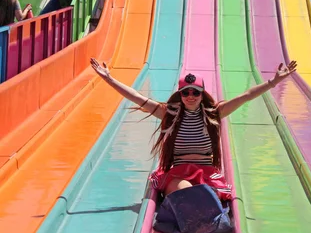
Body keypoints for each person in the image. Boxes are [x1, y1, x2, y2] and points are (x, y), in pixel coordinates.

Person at [90, 60, 297, 199]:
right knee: (185, 191)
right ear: (180, 94)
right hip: (178, 173)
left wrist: (273, 82)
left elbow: (246, 96)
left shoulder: (213, 113)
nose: (191, 96)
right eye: (186, 92)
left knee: (204, 192)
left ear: (202, 94)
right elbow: (136, 97)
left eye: (195, 92)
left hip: (206, 172)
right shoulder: (169, 114)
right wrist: (109, 79)